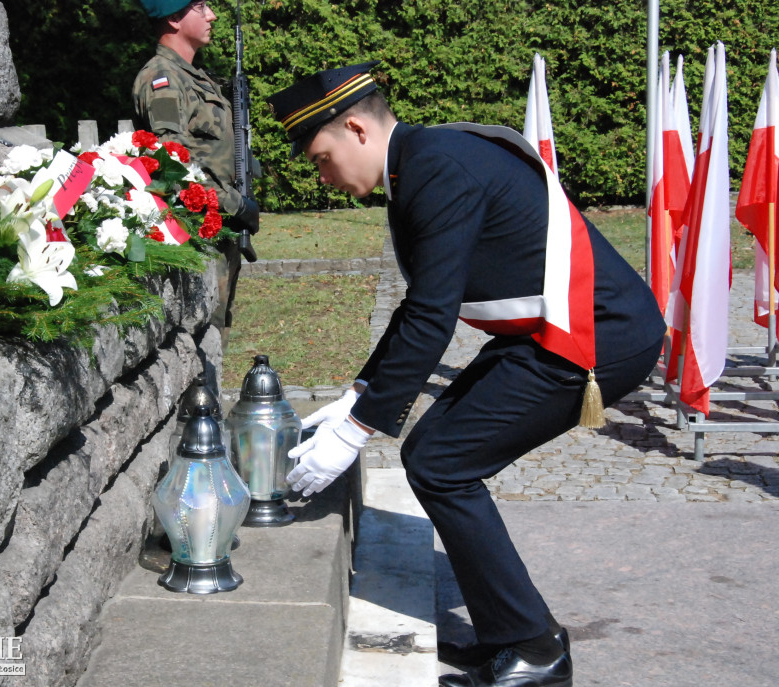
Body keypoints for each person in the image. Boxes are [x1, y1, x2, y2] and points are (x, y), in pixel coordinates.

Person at [269, 62, 665, 687]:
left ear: (355, 128)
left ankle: (535, 649)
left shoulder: (432, 166)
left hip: (595, 335)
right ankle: (514, 636)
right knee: (433, 456)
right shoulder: (417, 163)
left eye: (321, 158)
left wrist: (355, 433)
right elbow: (419, 304)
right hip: (546, 330)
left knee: (442, 465)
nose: (324, 177)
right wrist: (357, 396)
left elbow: (433, 317)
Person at [133, 0, 259, 353]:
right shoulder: (163, 79)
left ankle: (212, 406)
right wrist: (237, 204)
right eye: (201, 7)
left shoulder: (194, 76)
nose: (212, 16)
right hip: (195, 233)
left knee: (218, 333)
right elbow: (172, 163)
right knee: (200, 341)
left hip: (219, 228)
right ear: (173, 17)